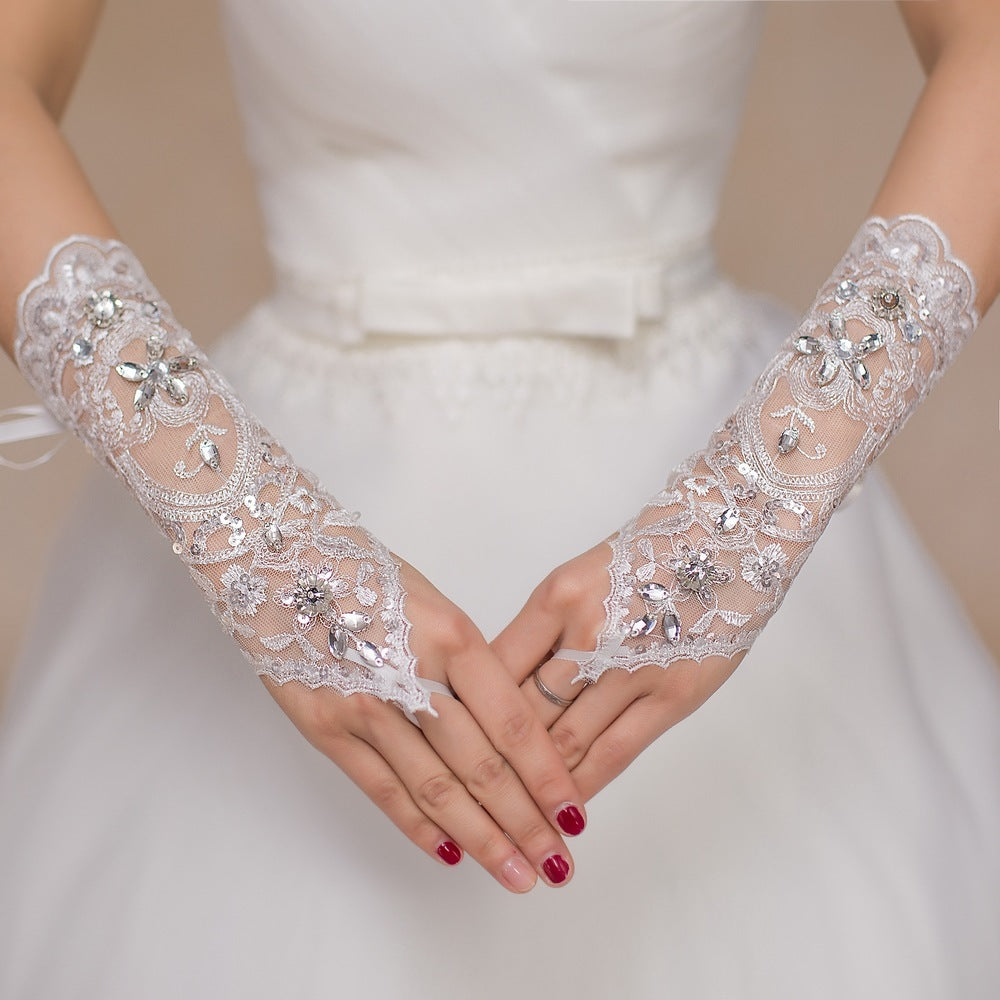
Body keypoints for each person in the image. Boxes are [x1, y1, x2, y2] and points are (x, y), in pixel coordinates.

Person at [1, 1, 998, 997]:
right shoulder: (254, 528)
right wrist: (249, 528)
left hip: (707, 473)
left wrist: (758, 505)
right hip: (280, 471)